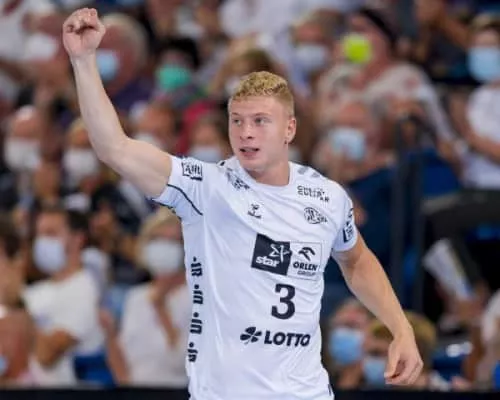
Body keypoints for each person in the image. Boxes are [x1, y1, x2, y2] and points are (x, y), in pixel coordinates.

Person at [63, 7, 422, 399]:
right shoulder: (205, 187)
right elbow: (114, 148)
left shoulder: (326, 196)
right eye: (237, 121)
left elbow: (357, 260)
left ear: (289, 128)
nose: (246, 133)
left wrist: (400, 329)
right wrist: (83, 61)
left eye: (260, 121)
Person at [100, 209, 190, 396]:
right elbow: (124, 362)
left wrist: (161, 309)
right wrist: (109, 334)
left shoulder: (196, 298)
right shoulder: (135, 297)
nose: (163, 247)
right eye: (157, 239)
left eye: (172, 241)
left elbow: (182, 363)